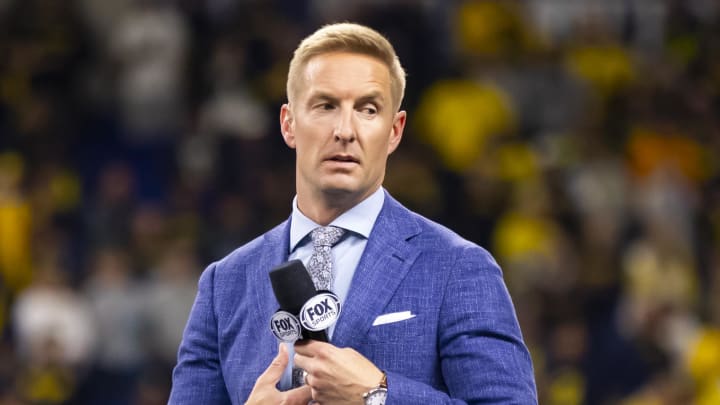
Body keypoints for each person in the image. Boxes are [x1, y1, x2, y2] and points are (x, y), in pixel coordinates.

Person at [169, 22, 537, 404]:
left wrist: (377, 395)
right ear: (288, 123)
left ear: (394, 131)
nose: (345, 130)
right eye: (326, 105)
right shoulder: (224, 284)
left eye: (368, 109)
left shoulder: (457, 268)